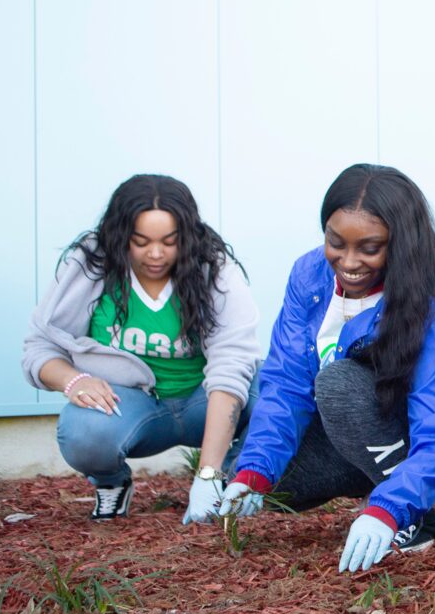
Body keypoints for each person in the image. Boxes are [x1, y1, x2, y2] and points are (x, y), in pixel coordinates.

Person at [211, 164, 435, 573]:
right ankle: (372, 486)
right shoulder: (309, 277)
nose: (348, 261)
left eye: (369, 247)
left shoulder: (423, 303)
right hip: (343, 438)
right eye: (335, 242)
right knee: (255, 473)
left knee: (337, 385)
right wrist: (254, 469)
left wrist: (389, 510)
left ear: (399, 243)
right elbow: (286, 384)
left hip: (405, 441)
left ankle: (415, 518)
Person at [23, 174, 260, 521]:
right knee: (82, 430)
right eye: (140, 241)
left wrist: (207, 473)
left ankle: (227, 481)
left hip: (201, 401)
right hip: (131, 405)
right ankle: (112, 482)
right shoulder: (91, 264)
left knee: (272, 392)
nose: (155, 254)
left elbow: (232, 363)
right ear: (120, 235)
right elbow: (39, 347)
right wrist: (74, 380)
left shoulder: (215, 269)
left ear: (188, 237)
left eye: (169, 241)